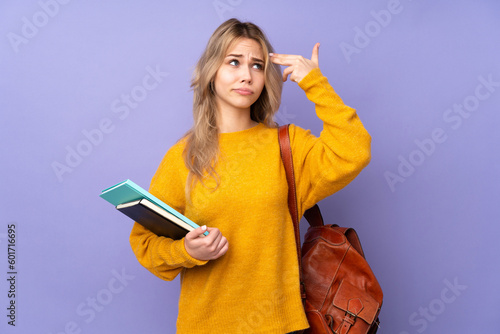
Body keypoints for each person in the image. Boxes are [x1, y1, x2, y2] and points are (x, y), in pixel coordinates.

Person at [129, 18, 371, 334]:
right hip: (205, 326)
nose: (247, 75)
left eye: (257, 65)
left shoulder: (287, 146)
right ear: (210, 71)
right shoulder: (183, 157)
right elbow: (145, 243)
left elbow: (354, 150)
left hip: (281, 326)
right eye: (234, 62)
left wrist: (315, 82)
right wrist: (187, 251)